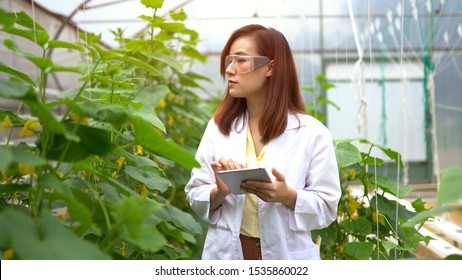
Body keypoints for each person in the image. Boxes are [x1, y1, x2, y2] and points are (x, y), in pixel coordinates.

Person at [185, 24, 341, 260]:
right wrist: (219, 191)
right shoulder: (218, 128)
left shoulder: (312, 133)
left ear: (270, 67)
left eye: (241, 60)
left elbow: (327, 207)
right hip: (227, 255)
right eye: (229, 61)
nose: (229, 69)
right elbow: (195, 192)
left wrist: (288, 195)